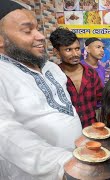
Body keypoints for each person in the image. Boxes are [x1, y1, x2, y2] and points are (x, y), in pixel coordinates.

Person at [0, 1, 82, 179]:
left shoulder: (51, 67)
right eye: (28, 31)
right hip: (44, 172)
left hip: (77, 159)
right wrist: (64, 165)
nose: (41, 36)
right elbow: (5, 133)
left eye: (37, 28)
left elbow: (65, 110)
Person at [49, 28, 103, 128]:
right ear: (56, 52)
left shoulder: (91, 73)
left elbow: (102, 98)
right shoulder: (52, 77)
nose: (75, 54)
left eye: (77, 49)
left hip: (91, 130)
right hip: (66, 132)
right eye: (68, 50)